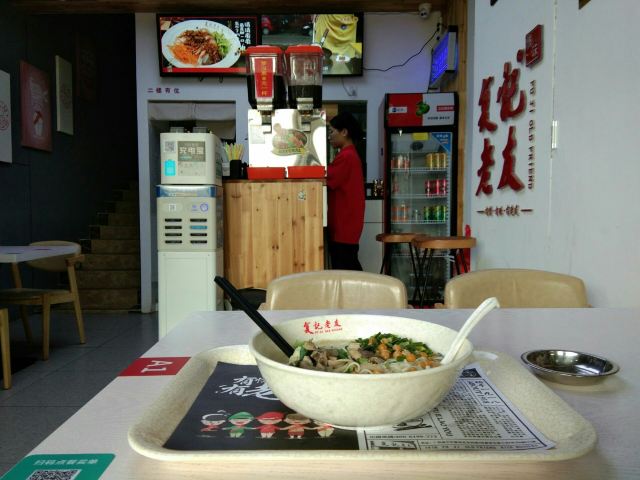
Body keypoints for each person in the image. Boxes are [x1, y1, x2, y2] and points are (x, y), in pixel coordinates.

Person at [326, 112, 365, 270]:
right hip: (347, 224)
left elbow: (327, 179)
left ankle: (370, 287)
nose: (329, 136)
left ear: (344, 132)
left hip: (344, 225)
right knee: (349, 268)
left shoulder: (347, 156)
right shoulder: (349, 154)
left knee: (346, 271)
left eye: (332, 131)